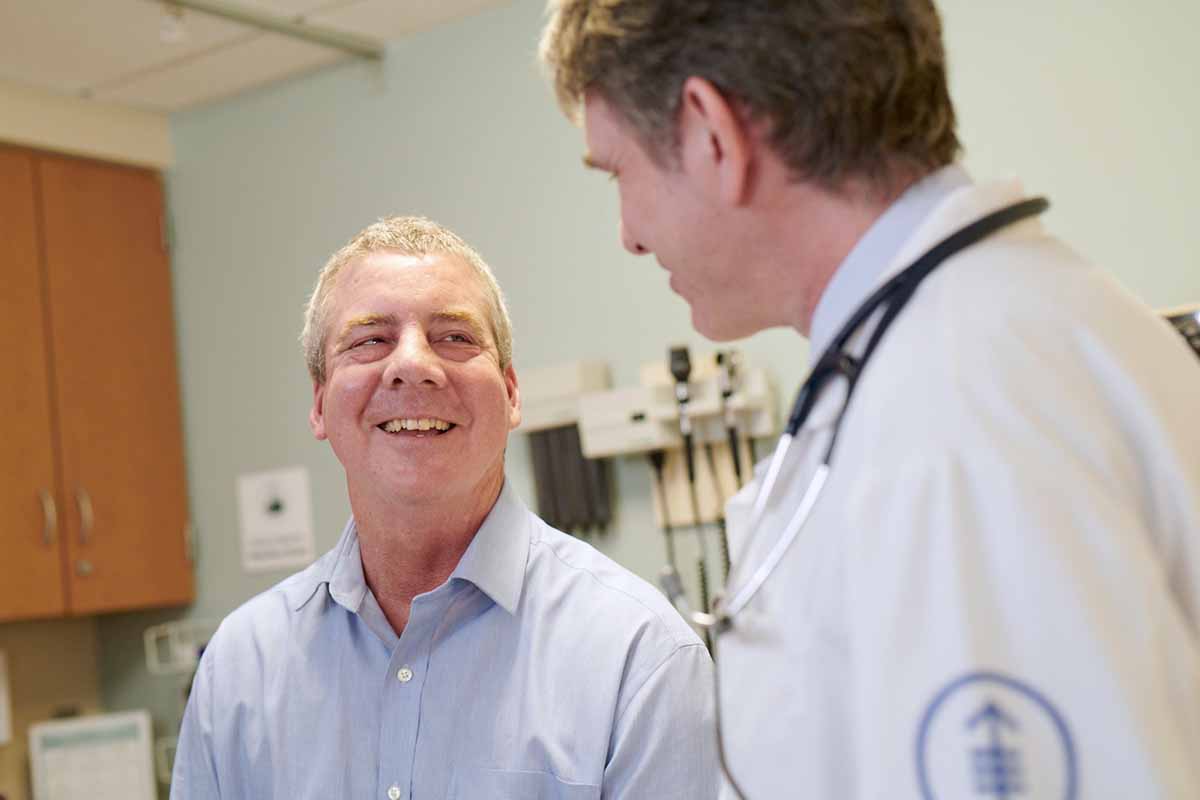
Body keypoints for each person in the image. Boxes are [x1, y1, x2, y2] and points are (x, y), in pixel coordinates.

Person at [540, 2, 1200, 798]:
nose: (629, 234)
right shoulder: (1029, 330)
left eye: (618, 173)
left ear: (712, 133)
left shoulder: (949, 422)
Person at [171, 216, 717, 799]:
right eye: (370, 340)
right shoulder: (240, 669)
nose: (413, 364)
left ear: (511, 394)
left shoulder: (639, 656)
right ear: (319, 404)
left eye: (454, 336)